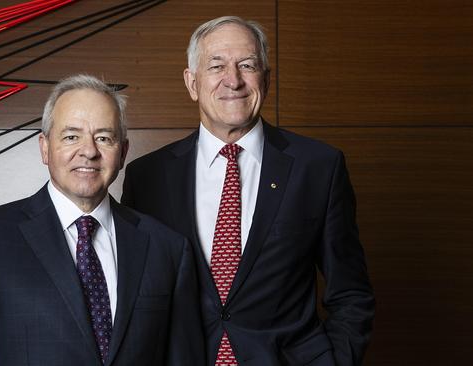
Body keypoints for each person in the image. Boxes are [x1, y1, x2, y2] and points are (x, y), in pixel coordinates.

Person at [122, 16, 375, 366]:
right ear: (192, 82)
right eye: (216, 66)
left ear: (266, 80)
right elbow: (134, 297)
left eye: (247, 65)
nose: (233, 80)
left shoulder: (318, 167)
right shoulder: (147, 176)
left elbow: (351, 292)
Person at [0, 74, 205, 366]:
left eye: (103, 137)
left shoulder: (168, 249)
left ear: (123, 152)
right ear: (45, 147)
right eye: (71, 136)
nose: (88, 151)